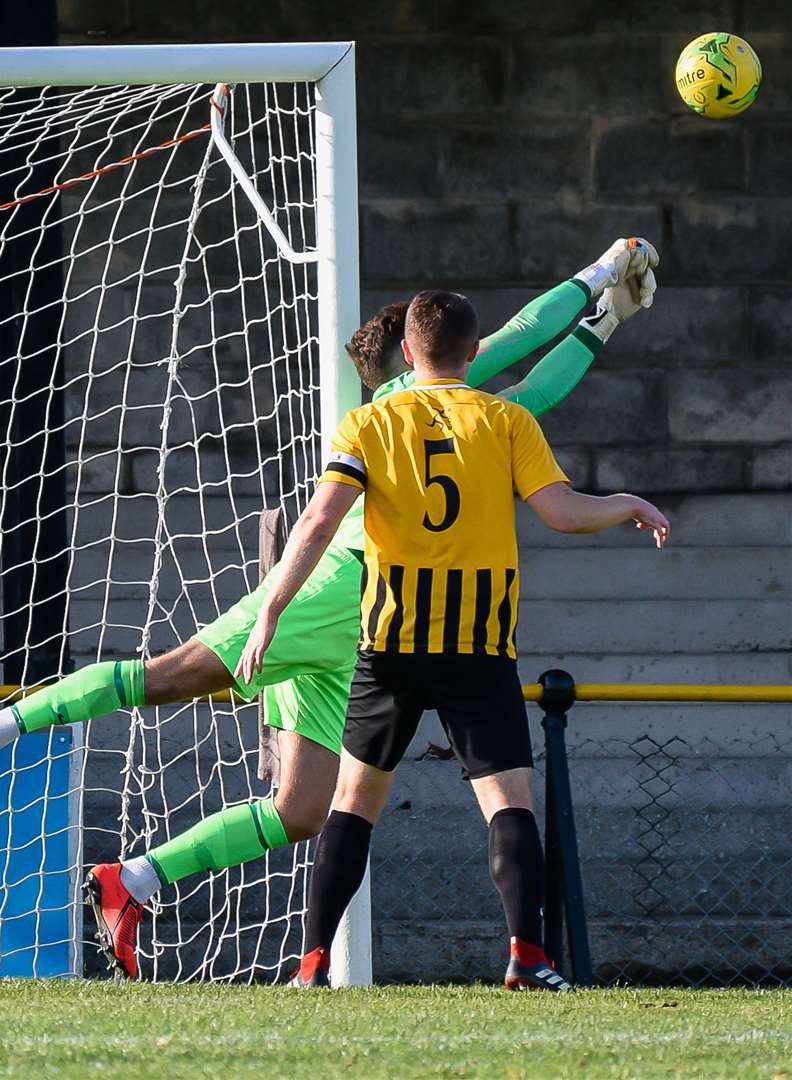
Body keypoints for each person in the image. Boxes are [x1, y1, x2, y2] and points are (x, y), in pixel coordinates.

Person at [0, 238, 659, 978]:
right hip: (334, 596)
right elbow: (529, 348)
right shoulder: (398, 407)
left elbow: (533, 376)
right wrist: (601, 282)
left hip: (375, 631)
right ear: (416, 355)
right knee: (173, 675)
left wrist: (604, 312)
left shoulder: (451, 412)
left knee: (302, 809)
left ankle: (133, 881)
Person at [248, 289, 670, 990]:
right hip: (477, 649)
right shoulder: (505, 420)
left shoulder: (370, 420)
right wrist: (625, 502)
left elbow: (318, 522)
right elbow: (561, 514)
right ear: (475, 353)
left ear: (407, 354)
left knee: (353, 804)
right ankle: (526, 958)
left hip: (389, 647)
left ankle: (312, 964)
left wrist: (270, 610)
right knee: (509, 804)